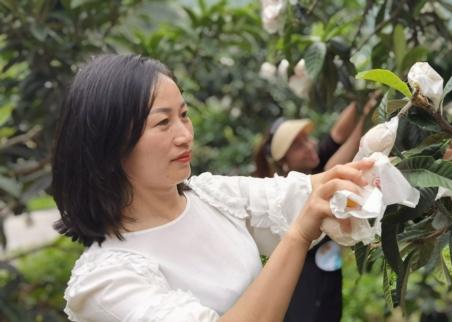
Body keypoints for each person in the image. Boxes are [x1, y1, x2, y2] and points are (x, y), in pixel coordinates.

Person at [52, 54, 373, 322]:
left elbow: (304, 193)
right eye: (163, 123)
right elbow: (301, 218)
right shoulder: (105, 282)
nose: (184, 135)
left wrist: (390, 143)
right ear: (110, 143)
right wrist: (298, 236)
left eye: (184, 115)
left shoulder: (211, 196)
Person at [252, 97, 375, 322]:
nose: (309, 147)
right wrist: (366, 118)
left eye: (307, 139)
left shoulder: (315, 164)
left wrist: (368, 100)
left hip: (329, 278)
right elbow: (335, 167)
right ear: (284, 161)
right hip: (302, 285)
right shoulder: (291, 190)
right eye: (298, 145)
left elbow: (338, 133)